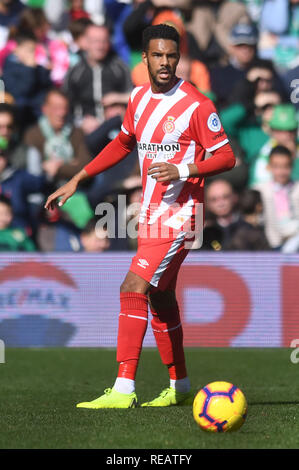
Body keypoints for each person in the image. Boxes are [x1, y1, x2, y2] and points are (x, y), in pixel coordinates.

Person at [45, 24, 235, 409]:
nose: (165, 62)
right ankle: (180, 387)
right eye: (158, 55)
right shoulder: (138, 98)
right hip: (150, 214)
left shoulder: (196, 105)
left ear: (178, 57)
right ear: (144, 58)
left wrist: (182, 171)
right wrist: (78, 178)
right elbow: (122, 143)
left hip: (181, 216)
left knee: (133, 287)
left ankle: (123, 389)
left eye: (172, 55)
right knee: (161, 297)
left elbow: (226, 156)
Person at [63, 23, 133, 134]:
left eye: (104, 41)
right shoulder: (75, 72)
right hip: (84, 130)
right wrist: (80, 122)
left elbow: (135, 97)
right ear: (86, 43)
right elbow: (64, 104)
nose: (100, 46)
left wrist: (118, 99)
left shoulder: (119, 68)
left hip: (115, 128)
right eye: (96, 41)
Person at [253, 146, 299, 251]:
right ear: (269, 167)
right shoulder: (260, 191)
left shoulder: (297, 189)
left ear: (292, 166)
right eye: (276, 166)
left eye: (286, 166)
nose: (281, 172)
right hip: (271, 246)